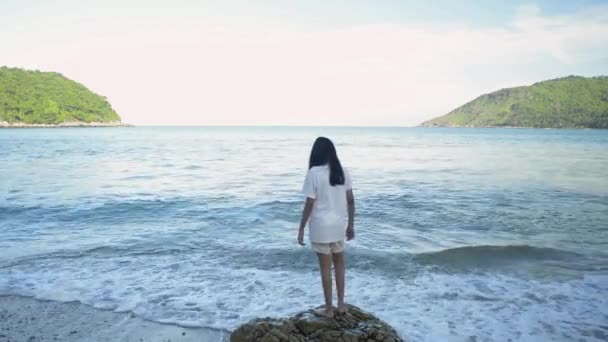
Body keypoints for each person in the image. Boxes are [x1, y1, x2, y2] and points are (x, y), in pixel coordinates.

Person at [297, 136, 355, 318]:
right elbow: (351, 201)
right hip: (338, 226)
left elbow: (309, 203)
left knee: (325, 268)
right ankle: (341, 305)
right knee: (339, 264)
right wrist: (351, 225)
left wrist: (301, 228)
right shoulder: (343, 171)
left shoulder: (314, 173)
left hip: (321, 227)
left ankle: (329, 309)